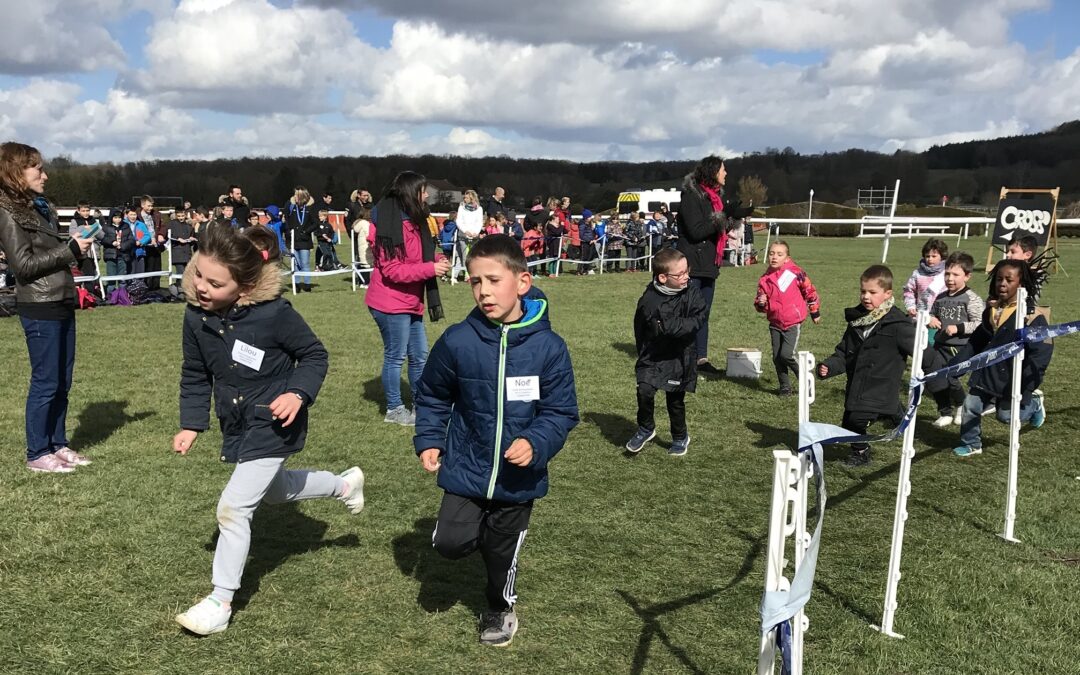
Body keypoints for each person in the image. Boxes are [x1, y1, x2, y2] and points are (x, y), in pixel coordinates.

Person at [172, 224, 365, 636]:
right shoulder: (195, 316)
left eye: (214, 283)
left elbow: (314, 355)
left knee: (233, 507)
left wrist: (297, 393)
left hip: (275, 422)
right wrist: (191, 423)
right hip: (237, 423)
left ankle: (220, 602)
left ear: (244, 287)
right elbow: (195, 373)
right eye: (198, 275)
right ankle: (343, 485)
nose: (201, 286)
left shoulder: (275, 313)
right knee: (274, 492)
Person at [413, 234, 578, 647]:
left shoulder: (549, 348)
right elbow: (432, 394)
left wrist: (536, 442)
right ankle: (486, 539)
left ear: (522, 282)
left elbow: (561, 411)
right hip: (466, 465)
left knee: (501, 555)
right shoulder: (458, 340)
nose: (483, 291)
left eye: (493, 280)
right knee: (449, 543)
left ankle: (499, 607)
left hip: (518, 477)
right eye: (475, 281)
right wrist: (430, 438)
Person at [0, 141, 94, 472]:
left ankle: (57, 443)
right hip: (39, 304)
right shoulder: (7, 211)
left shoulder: (42, 207)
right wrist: (69, 250)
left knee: (62, 381)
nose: (45, 175)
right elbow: (23, 266)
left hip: (62, 297)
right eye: (38, 169)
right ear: (16, 172)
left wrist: (75, 249)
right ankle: (37, 452)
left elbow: (49, 254)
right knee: (46, 381)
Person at [366, 171, 450, 426]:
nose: (426, 195)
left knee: (419, 355)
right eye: (423, 191)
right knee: (396, 356)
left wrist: (436, 259)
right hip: (389, 302)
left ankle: (420, 404)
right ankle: (394, 409)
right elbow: (393, 270)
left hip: (412, 301)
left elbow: (418, 256)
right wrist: (430, 269)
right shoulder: (387, 225)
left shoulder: (416, 221)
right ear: (410, 193)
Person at [951, 259, 1052, 458]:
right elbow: (977, 341)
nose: (1002, 284)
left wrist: (1027, 385)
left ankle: (1034, 405)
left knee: (1006, 416)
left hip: (1014, 377)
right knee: (970, 406)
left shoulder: (1033, 316)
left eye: (1009, 280)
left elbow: (1041, 354)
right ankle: (971, 444)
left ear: (1021, 284)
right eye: (999, 279)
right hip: (986, 373)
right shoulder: (991, 311)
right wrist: (957, 365)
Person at [817, 265, 915, 467]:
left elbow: (922, 352)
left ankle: (863, 450)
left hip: (881, 385)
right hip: (858, 385)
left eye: (872, 292)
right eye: (863, 291)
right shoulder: (857, 320)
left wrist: (939, 373)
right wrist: (829, 366)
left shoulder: (898, 324)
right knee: (848, 423)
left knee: (856, 421)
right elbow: (844, 352)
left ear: (887, 294)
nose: (866, 297)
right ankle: (893, 415)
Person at [625, 248, 705, 456]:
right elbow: (639, 327)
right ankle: (646, 428)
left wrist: (671, 327)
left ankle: (680, 436)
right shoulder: (649, 299)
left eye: (687, 271)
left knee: (675, 401)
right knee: (644, 389)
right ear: (662, 278)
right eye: (680, 274)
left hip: (679, 356)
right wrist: (644, 349)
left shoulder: (692, 293)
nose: (686, 276)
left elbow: (698, 320)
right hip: (653, 354)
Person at [675, 155, 752, 372]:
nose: (726, 173)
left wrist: (733, 217)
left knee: (703, 313)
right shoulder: (691, 196)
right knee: (690, 312)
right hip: (692, 263)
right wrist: (723, 215)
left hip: (709, 263)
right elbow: (696, 231)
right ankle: (684, 358)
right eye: (723, 169)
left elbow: (717, 229)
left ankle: (701, 359)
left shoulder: (714, 197)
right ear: (712, 172)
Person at [924, 252, 984, 427]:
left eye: (956, 275)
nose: (950, 279)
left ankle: (961, 404)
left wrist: (959, 328)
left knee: (951, 378)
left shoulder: (971, 298)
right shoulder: (941, 297)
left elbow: (979, 323)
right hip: (939, 345)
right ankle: (945, 412)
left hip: (960, 347)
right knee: (934, 378)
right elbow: (931, 314)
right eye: (947, 274)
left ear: (967, 276)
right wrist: (930, 319)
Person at [754, 240, 821, 396]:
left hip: (792, 322)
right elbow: (760, 304)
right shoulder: (765, 279)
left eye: (779, 254)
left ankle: (806, 380)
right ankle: (785, 386)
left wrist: (814, 311)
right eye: (771, 254)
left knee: (787, 355)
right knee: (777, 358)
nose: (774, 257)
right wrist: (761, 303)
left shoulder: (796, 273)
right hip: (775, 322)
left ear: (787, 258)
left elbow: (810, 291)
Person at [902, 238, 948, 316]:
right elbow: (909, 291)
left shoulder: (947, 273)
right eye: (927, 256)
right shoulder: (917, 274)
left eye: (934, 256)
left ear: (942, 256)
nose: (930, 259)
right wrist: (910, 306)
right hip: (921, 314)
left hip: (942, 314)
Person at [284, 187, 317, 292]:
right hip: (293, 240)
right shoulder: (291, 206)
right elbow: (286, 219)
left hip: (305, 240)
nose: (294, 196)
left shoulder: (310, 208)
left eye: (296, 195)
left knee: (305, 263)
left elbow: (315, 223)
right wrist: (288, 231)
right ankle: (297, 284)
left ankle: (307, 284)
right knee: (295, 263)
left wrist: (306, 232)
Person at [101, 208, 134, 295]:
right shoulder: (106, 227)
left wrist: (122, 246)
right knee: (111, 279)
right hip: (111, 256)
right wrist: (112, 242)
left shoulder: (126, 226)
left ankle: (122, 296)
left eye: (119, 217)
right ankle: (111, 296)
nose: (118, 219)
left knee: (122, 279)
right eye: (115, 217)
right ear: (111, 218)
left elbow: (131, 240)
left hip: (123, 256)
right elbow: (102, 239)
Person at [455, 190, 484, 270]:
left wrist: (476, 232)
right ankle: (466, 272)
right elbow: (459, 221)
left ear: (472, 198)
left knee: (474, 255)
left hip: (474, 236)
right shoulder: (461, 208)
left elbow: (479, 222)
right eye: (464, 197)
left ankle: (473, 271)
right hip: (463, 235)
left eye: (467, 198)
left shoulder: (479, 209)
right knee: (464, 255)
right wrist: (465, 231)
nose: (465, 199)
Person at [167, 208, 196, 281]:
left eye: (182, 216)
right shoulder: (171, 224)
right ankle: (180, 287)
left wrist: (191, 239)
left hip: (187, 253)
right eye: (179, 216)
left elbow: (192, 238)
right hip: (177, 253)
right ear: (176, 215)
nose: (181, 218)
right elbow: (168, 235)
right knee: (181, 273)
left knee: (187, 274)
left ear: (185, 215)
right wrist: (178, 238)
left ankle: (180, 286)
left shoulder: (189, 225)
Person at [127, 206, 153, 276]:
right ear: (127, 215)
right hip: (128, 251)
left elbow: (147, 235)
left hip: (139, 251)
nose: (133, 217)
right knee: (130, 270)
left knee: (140, 271)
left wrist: (141, 241)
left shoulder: (141, 224)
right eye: (131, 214)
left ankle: (139, 282)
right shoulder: (124, 224)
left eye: (134, 215)